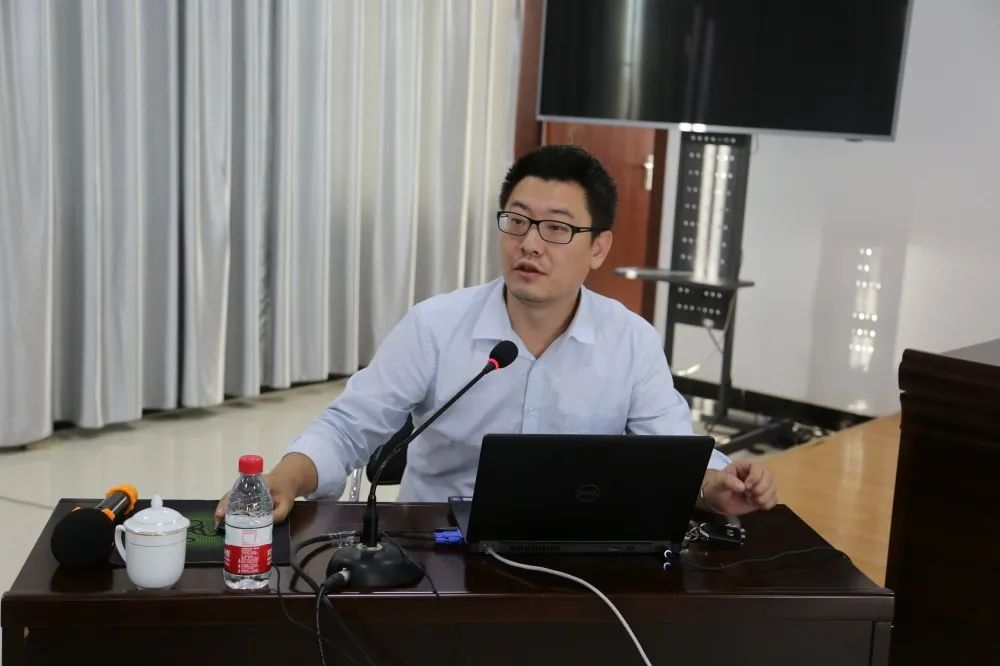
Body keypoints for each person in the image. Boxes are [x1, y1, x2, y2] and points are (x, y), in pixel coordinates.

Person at [215, 145, 777, 527]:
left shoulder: (630, 341)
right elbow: (348, 427)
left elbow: (673, 450)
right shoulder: (436, 326)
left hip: (576, 552)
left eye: (556, 228)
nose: (530, 243)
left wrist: (715, 484)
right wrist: (285, 477)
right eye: (518, 220)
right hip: (435, 546)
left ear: (598, 248)